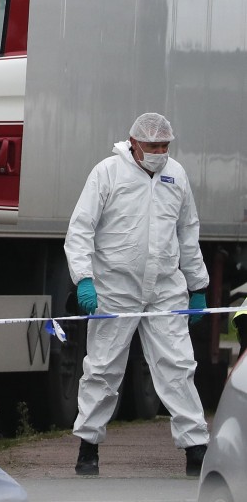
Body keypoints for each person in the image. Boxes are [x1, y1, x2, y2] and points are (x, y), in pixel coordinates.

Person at [64, 113, 209, 477]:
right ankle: (88, 448)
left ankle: (196, 450)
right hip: (115, 289)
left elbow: (187, 232)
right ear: (134, 143)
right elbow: (81, 228)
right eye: (153, 146)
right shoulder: (108, 173)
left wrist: (198, 286)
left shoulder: (176, 175)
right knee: (101, 369)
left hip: (164, 289)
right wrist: (84, 278)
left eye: (165, 146)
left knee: (178, 367)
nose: (160, 152)